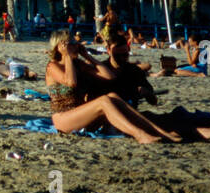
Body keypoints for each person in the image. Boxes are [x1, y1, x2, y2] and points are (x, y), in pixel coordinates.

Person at [45, 30, 180, 144]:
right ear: (60, 46)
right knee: (103, 101)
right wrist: (67, 56)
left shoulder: (78, 63)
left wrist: (87, 56)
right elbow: (71, 82)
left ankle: (159, 132)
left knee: (113, 97)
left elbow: (108, 76)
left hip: (81, 115)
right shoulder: (53, 66)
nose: (76, 45)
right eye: (72, 43)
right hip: (63, 119)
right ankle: (139, 135)